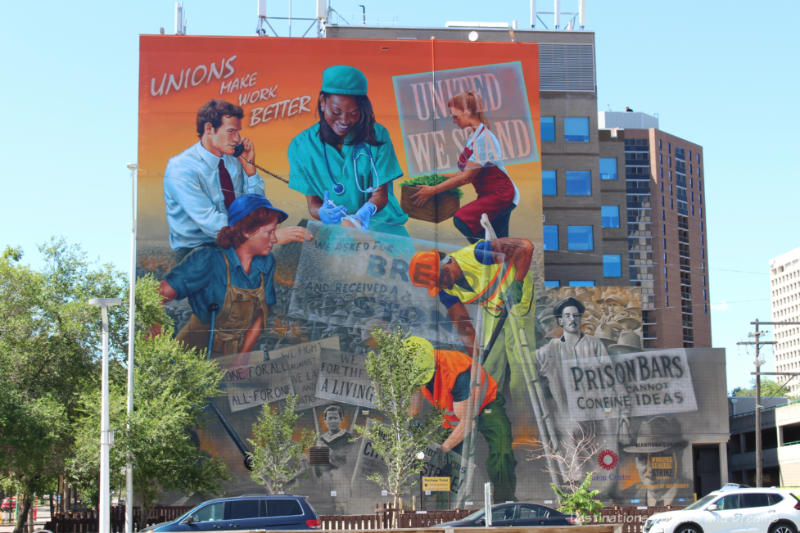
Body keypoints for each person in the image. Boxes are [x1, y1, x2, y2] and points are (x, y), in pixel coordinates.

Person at [408, 238, 536, 441]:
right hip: (493, 305)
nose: (443, 285)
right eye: (438, 283)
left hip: (516, 295)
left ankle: (525, 427)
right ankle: (495, 423)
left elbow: (525, 247)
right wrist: (476, 361)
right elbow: (464, 327)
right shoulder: (447, 291)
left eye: (443, 278)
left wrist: (518, 283)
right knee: (490, 366)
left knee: (519, 362)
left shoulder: (479, 254)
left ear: (447, 263)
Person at [159, 194, 312, 356]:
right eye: (269, 232)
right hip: (191, 356)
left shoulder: (266, 263)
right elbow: (159, 294)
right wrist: (155, 330)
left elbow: (261, 316)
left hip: (231, 356)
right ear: (247, 231)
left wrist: (242, 358)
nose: (275, 238)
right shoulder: (207, 259)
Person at [164, 100, 303, 260]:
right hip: (197, 251)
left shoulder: (233, 161)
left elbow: (253, 207)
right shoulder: (181, 168)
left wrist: (250, 171)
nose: (237, 139)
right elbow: (210, 221)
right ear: (209, 129)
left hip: (234, 242)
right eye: (231, 131)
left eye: (238, 132)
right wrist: (264, 234)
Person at [288, 65, 409, 236]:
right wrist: (322, 213)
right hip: (337, 232)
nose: (344, 120)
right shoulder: (301, 146)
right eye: (336, 112)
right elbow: (313, 203)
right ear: (322, 102)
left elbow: (380, 194)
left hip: (382, 227)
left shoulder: (377, 135)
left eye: (353, 113)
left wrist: (365, 213)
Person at [406, 336, 516, 502]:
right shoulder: (415, 364)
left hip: (486, 405)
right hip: (455, 415)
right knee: (446, 465)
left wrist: (443, 449)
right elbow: (415, 390)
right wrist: (413, 417)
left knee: (501, 450)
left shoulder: (457, 373)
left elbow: (467, 422)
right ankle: (444, 507)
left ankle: (504, 501)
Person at [410, 91, 519, 243]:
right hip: (491, 194)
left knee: (463, 219)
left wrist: (434, 190)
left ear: (467, 112)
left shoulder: (484, 138)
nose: (454, 121)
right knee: (501, 242)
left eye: (455, 116)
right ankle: (496, 256)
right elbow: (463, 173)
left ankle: (488, 254)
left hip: (502, 195)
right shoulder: (473, 137)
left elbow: (466, 178)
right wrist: (435, 178)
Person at [620, 416, 692, 506]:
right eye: (642, 458)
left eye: (659, 458)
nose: (650, 470)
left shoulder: (697, 496)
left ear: (677, 457)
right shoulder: (624, 499)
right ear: (635, 463)